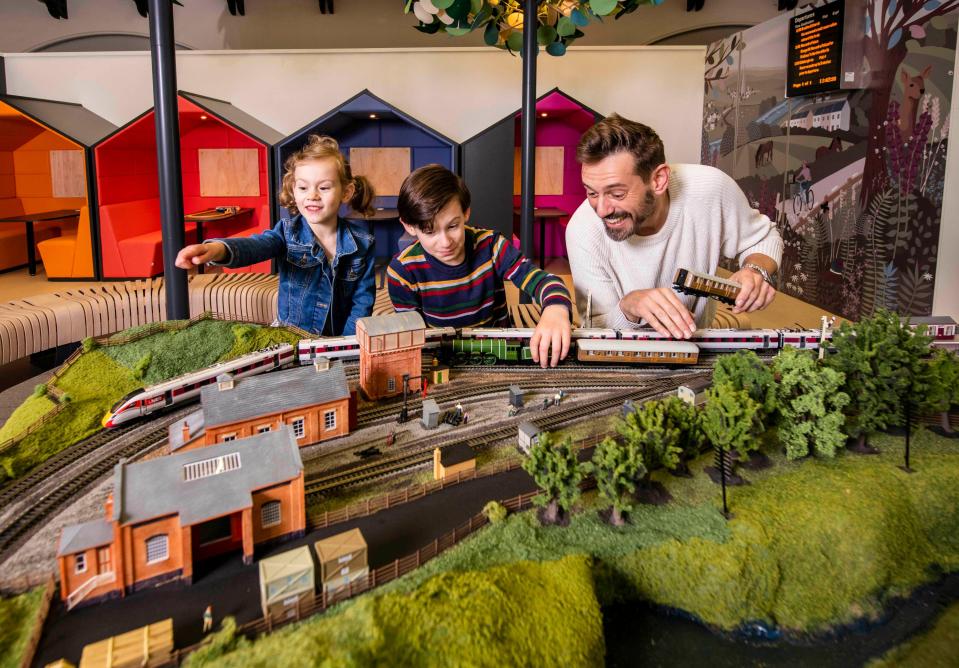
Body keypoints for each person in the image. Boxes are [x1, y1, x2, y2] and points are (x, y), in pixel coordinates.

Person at [566, 114, 782, 338]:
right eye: (591, 192)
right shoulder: (583, 230)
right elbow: (594, 327)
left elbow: (762, 238)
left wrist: (754, 270)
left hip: (696, 345)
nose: (601, 210)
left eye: (617, 193)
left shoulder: (711, 188)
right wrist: (628, 308)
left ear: (658, 180)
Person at [174, 135, 376, 336]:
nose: (312, 195)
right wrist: (215, 249)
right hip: (293, 338)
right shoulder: (287, 232)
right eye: (303, 187)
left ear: (346, 192)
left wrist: (346, 344)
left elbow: (362, 302)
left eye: (324, 188)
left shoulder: (362, 243)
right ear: (293, 190)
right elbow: (256, 246)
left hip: (339, 341)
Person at [387, 164, 574, 368]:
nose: (445, 242)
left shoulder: (492, 246)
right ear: (410, 227)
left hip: (498, 351)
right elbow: (410, 335)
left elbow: (541, 280)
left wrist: (556, 308)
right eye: (430, 232)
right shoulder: (402, 271)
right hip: (440, 359)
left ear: (466, 213)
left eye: (452, 226)